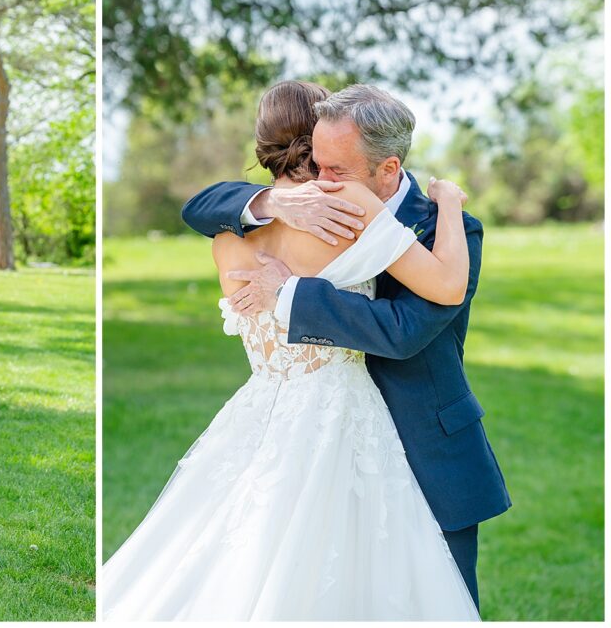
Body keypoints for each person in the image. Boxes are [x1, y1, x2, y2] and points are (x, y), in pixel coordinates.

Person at [103, 82, 507, 620]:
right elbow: (199, 205)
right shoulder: (324, 210)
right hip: (331, 427)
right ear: (311, 145)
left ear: (386, 167)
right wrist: (274, 202)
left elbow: (406, 331)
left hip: (409, 445)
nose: (327, 178)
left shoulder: (233, 236)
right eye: (323, 161)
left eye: (338, 166)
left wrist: (288, 291)